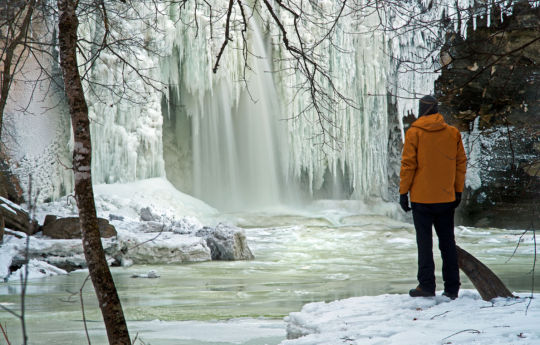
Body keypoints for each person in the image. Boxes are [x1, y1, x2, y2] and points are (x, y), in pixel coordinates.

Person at [399, 95, 467, 299]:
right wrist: (458, 190)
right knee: (447, 243)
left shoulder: (414, 133)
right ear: (437, 110)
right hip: (446, 198)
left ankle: (427, 285)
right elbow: (460, 163)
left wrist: (403, 192)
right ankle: (452, 288)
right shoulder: (452, 133)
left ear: (422, 110)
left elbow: (408, 165)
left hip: (421, 198)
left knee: (424, 243)